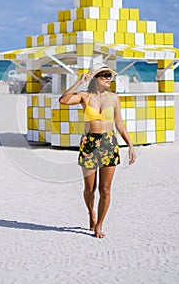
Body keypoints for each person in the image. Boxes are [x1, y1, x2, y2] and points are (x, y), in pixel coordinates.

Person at [59, 64, 136, 238]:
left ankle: (99, 224)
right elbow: (63, 100)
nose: (109, 78)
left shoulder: (114, 98)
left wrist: (130, 145)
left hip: (109, 143)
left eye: (110, 75)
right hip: (90, 143)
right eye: (104, 75)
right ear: (95, 78)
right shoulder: (84, 96)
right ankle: (91, 213)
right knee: (90, 190)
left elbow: (119, 124)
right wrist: (79, 81)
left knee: (106, 189)